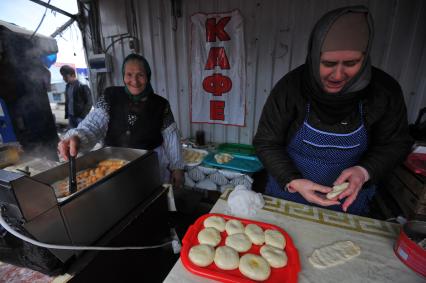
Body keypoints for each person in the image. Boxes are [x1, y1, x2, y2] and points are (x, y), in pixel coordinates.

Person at [253, 6, 413, 215]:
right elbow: (266, 142)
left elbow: (395, 143)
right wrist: (293, 180)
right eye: (328, 63)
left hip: (348, 201)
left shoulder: (384, 91)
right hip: (290, 193)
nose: (338, 75)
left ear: (365, 59)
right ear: (313, 56)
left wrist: (364, 172)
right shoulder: (291, 88)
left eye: (351, 63)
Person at [57, 54, 184, 189]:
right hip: (113, 168)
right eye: (129, 74)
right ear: (123, 76)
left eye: (140, 74)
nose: (134, 81)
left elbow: (171, 137)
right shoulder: (110, 96)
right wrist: (77, 137)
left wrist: (177, 168)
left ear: (148, 76)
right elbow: (94, 125)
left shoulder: (161, 104)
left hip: (151, 168)